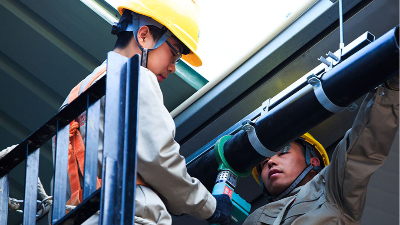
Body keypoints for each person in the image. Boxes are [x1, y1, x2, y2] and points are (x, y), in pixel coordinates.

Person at [54, 0, 232, 224]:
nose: (173, 67)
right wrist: (209, 206)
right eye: (173, 54)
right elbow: (160, 159)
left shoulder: (75, 96)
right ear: (144, 35)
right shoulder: (136, 77)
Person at [243, 75, 399, 225]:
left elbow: (361, 147)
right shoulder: (254, 220)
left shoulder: (331, 191)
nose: (270, 161)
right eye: (263, 164)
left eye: (283, 152)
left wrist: (392, 87)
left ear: (313, 161)